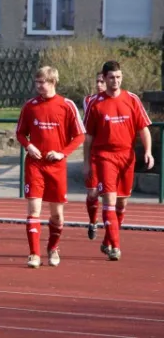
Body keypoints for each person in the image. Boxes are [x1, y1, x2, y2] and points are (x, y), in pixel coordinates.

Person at [83, 61, 153, 261]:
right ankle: (116, 246)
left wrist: (148, 151)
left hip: (127, 156)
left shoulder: (131, 99)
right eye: (112, 77)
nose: (115, 81)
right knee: (109, 200)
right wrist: (87, 163)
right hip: (105, 156)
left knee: (122, 203)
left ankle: (107, 239)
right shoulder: (95, 103)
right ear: (104, 79)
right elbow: (88, 137)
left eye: (118, 77)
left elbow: (143, 129)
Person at [16, 66, 85, 268]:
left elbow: (79, 135)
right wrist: (28, 146)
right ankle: (34, 254)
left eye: (42, 82)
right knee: (34, 208)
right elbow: (20, 133)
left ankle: (53, 247)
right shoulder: (30, 106)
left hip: (56, 166)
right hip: (35, 165)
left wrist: (62, 153)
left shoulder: (67, 105)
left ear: (53, 81)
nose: (39, 86)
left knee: (56, 214)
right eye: (37, 82)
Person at [83, 72, 106, 240]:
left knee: (110, 194)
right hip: (93, 152)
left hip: (109, 153)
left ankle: (111, 230)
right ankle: (93, 221)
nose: (99, 85)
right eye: (97, 81)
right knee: (92, 192)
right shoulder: (89, 101)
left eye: (102, 82)